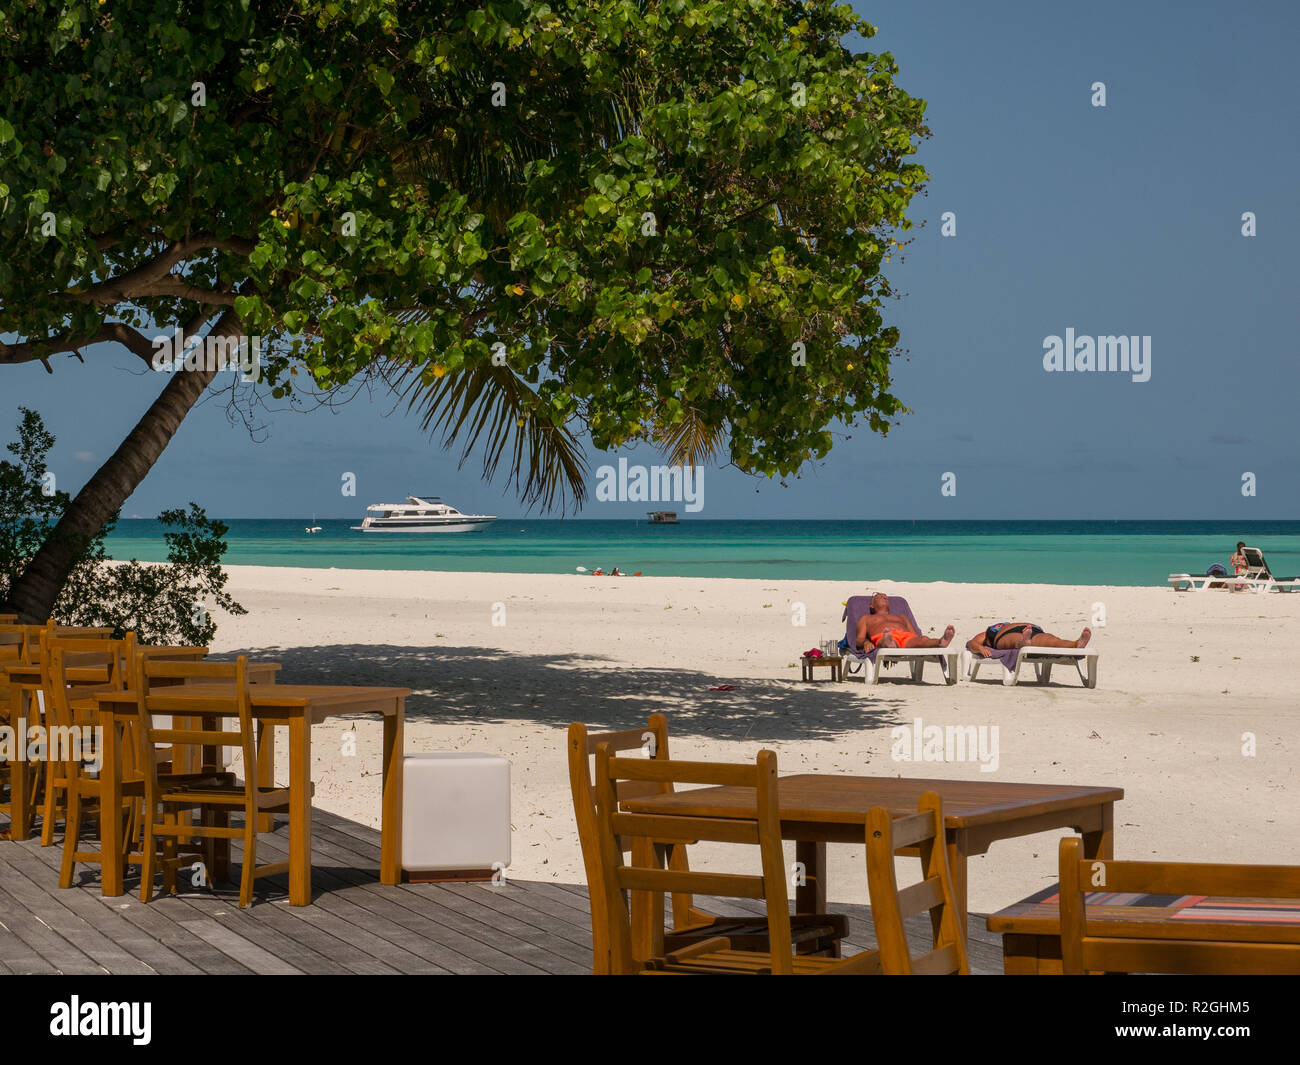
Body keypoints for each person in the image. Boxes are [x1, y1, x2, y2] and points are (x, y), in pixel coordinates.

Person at [856, 592, 955, 651]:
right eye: (879, 597)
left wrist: (919, 641)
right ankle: (889, 643)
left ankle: (941, 642)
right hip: (882, 636)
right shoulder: (866, 618)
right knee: (884, 639)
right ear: (871, 606)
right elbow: (859, 639)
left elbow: (915, 636)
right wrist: (866, 642)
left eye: (885, 597)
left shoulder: (901, 617)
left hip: (907, 638)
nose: (884, 597)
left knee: (923, 639)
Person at [966, 621, 1091, 658]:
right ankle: (1075, 644)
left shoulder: (989, 633)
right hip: (1032, 627)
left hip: (1006, 633)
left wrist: (980, 647)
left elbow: (972, 643)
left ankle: (1023, 643)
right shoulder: (994, 632)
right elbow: (973, 644)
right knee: (1050, 640)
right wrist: (980, 648)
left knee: (1013, 640)